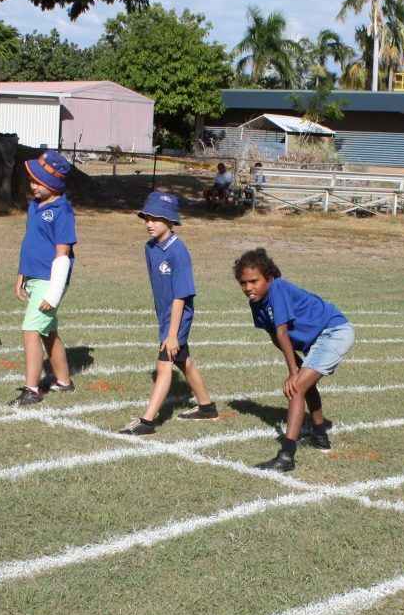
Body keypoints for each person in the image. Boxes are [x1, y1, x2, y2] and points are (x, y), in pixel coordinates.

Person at [235, 247, 354, 472]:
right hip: (319, 339)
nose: (248, 288)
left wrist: (293, 372)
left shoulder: (277, 288)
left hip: (334, 331)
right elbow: (274, 335)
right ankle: (319, 436)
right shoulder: (256, 301)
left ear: (268, 277)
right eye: (243, 283)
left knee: (296, 388)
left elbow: (282, 331)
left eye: (254, 281)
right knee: (304, 385)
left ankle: (287, 457)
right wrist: (296, 365)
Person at [118, 190, 218, 434]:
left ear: (171, 221)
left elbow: (181, 295)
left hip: (178, 316)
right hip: (164, 314)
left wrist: (172, 333)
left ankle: (147, 422)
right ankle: (207, 408)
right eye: (146, 218)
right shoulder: (150, 248)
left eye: (156, 218)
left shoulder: (178, 251)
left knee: (164, 364)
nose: (149, 223)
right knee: (183, 361)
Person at [12, 150, 78, 405]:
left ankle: (32, 390)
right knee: (47, 332)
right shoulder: (34, 206)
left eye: (38, 182)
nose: (33, 186)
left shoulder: (63, 211)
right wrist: (21, 274)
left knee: (30, 330)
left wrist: (54, 292)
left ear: (54, 183)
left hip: (50, 281)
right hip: (33, 277)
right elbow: (30, 243)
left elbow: (63, 254)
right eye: (32, 180)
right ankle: (63, 380)